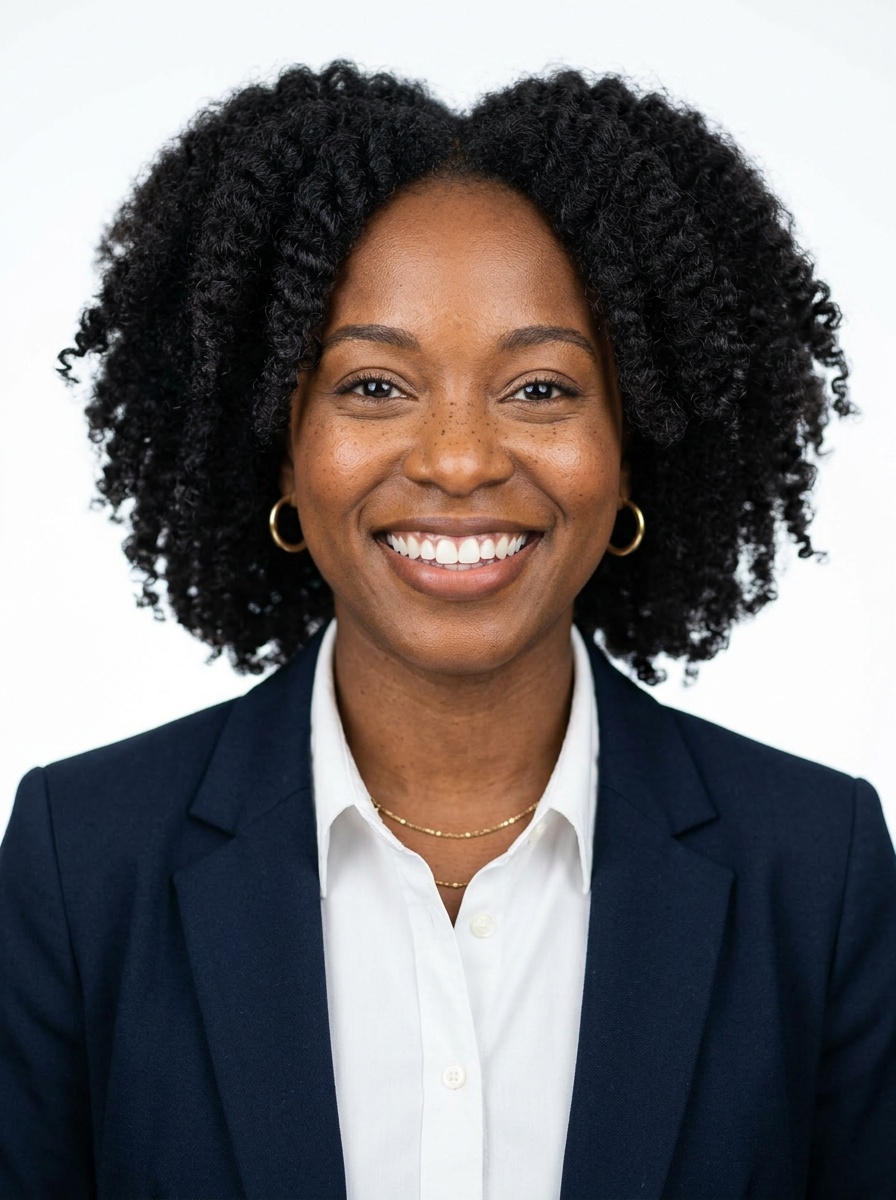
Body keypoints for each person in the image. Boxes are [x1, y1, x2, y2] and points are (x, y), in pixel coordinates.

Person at [0, 61, 893, 1200]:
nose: (460, 460)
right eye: (375, 386)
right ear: (281, 446)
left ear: (631, 448)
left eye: (540, 389)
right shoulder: (82, 863)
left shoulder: (815, 871)